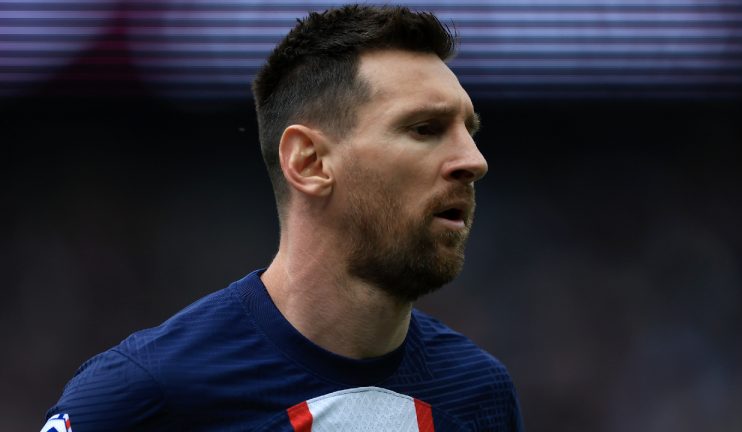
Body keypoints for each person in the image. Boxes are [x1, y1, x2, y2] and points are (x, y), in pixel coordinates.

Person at [41, 4, 524, 431]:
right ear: (309, 163)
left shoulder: (479, 393)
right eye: (424, 128)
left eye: (469, 130)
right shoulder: (143, 394)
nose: (473, 160)